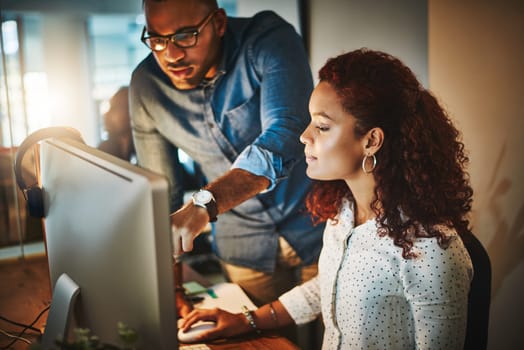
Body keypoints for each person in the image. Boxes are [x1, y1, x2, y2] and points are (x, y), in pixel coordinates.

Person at [179, 48, 475, 349]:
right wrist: (247, 320)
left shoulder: (432, 253)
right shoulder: (344, 212)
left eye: (321, 126)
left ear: (371, 141)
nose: (304, 136)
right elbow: (328, 286)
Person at [129, 0, 323, 310]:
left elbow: (285, 131)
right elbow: (160, 194)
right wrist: (173, 288)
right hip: (242, 247)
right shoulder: (146, 87)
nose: (172, 54)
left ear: (218, 22)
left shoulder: (268, 39)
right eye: (157, 38)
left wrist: (205, 204)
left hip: (316, 224)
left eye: (186, 35)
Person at [98, 86, 135, 162]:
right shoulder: (104, 150)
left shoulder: (143, 147)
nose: (109, 113)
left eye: (117, 107)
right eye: (112, 107)